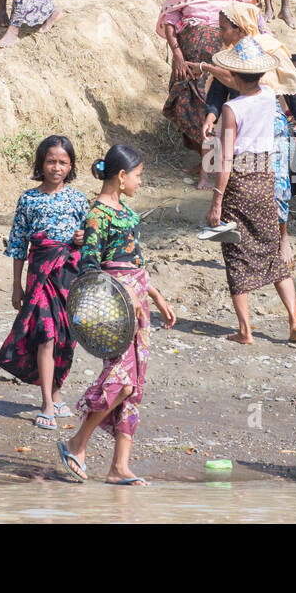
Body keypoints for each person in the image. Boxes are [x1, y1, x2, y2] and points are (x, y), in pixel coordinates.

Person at [58, 145, 176, 485]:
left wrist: (155, 294)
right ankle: (76, 443)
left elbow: (134, 262)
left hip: (139, 301)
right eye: (138, 176)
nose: (140, 182)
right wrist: (127, 295)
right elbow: (90, 266)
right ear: (122, 176)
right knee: (121, 381)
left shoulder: (128, 214)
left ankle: (118, 467)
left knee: (135, 385)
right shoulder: (97, 215)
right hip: (114, 307)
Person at [205, 36, 296, 344]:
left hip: (239, 180)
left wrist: (216, 202)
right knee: (273, 252)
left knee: (235, 253)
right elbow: (234, 77)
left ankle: (245, 330)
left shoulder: (232, 108)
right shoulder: (268, 93)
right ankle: (294, 319)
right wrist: (207, 66)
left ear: (233, 76)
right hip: (265, 178)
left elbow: (224, 157)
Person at [200, 2, 296, 263]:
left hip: (272, 127)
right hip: (241, 127)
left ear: (239, 28)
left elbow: (291, 83)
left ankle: (282, 239)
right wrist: (211, 116)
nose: (221, 34)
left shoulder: (270, 49)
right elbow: (218, 91)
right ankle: (248, 240)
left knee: (278, 185)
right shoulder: (228, 54)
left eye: (224, 29)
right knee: (243, 185)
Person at [0, 135, 90, 429]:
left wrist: (82, 238)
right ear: (41, 163)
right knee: (46, 334)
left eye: (63, 162)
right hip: (40, 276)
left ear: (71, 165)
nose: (56, 167)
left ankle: (57, 393)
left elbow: (91, 240)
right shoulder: (28, 199)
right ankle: (47, 404)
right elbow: (17, 244)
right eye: (51, 161)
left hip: (70, 277)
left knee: (66, 337)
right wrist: (16, 284)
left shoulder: (78, 199)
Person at [157, 0, 247, 185]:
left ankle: (215, 168)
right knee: (188, 106)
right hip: (188, 64)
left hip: (221, 65)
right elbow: (169, 20)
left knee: (216, 109)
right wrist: (177, 55)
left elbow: (246, 21)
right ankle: (204, 161)